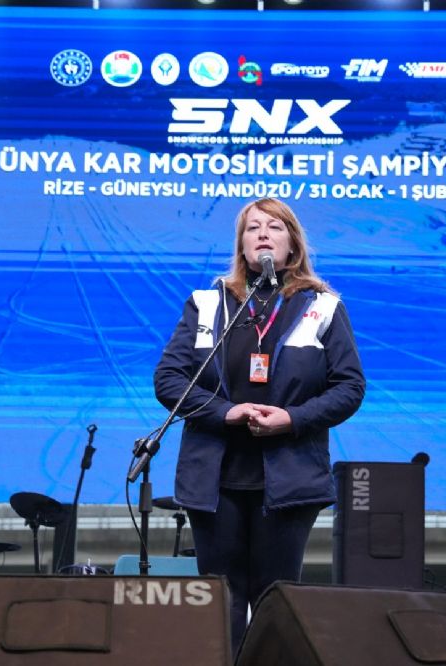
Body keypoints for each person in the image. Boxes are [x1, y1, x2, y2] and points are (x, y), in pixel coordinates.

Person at [153, 197, 365, 655]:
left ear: (293, 245)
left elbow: (349, 387)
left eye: (274, 227)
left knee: (276, 603)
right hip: (215, 478)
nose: (263, 234)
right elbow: (169, 380)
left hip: (288, 478)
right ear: (242, 245)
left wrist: (293, 419)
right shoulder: (207, 303)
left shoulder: (323, 307)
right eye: (253, 228)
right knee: (220, 601)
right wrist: (224, 412)